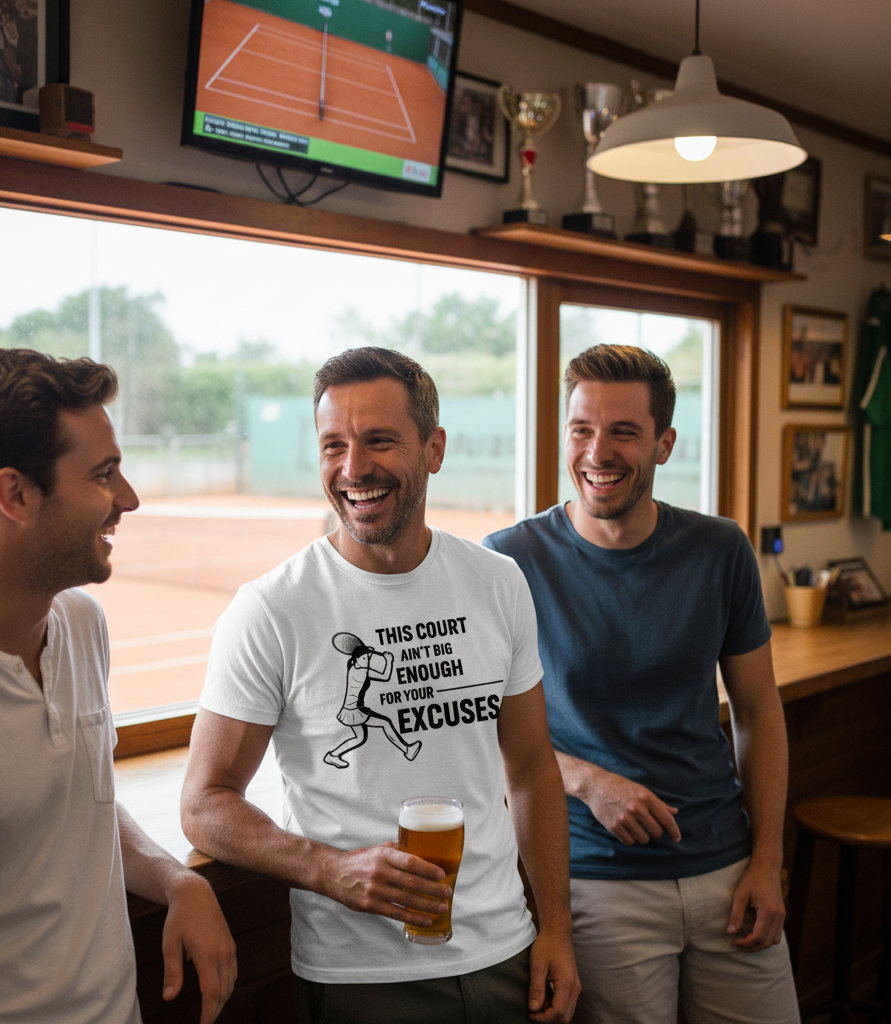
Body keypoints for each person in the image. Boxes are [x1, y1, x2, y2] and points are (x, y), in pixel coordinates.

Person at [181, 346, 580, 1024]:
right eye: (332, 445)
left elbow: (533, 769)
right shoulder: (271, 607)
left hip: (505, 954)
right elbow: (203, 804)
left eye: (378, 441)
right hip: (358, 976)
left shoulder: (497, 582)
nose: (352, 468)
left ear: (434, 448)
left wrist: (556, 930)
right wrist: (328, 870)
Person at [484, 344, 800, 1024]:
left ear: (663, 443)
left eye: (623, 432)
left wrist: (766, 859)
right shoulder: (509, 560)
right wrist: (588, 780)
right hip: (596, 881)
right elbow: (480, 724)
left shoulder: (720, 549)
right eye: (581, 430)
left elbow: (755, 712)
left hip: (725, 865)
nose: (597, 452)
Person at [0, 349, 237, 1024]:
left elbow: (84, 798)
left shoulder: (82, 623)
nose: (129, 498)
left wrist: (175, 878)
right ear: (15, 493)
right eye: (104, 475)